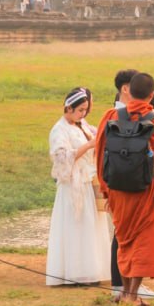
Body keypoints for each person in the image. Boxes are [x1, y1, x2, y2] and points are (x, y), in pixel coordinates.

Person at [94, 72, 154, 306]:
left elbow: (100, 155)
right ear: (152, 95)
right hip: (146, 191)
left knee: (124, 240)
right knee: (143, 243)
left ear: (129, 91)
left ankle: (124, 292)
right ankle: (132, 295)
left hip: (118, 190)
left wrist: (106, 187)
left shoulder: (111, 116)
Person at [46, 87, 112, 285]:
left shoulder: (81, 125)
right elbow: (61, 158)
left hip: (87, 181)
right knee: (76, 227)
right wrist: (88, 146)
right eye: (80, 110)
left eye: (85, 110)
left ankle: (91, 271)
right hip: (72, 185)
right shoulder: (59, 130)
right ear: (69, 108)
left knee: (89, 227)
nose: (83, 114)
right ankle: (75, 273)